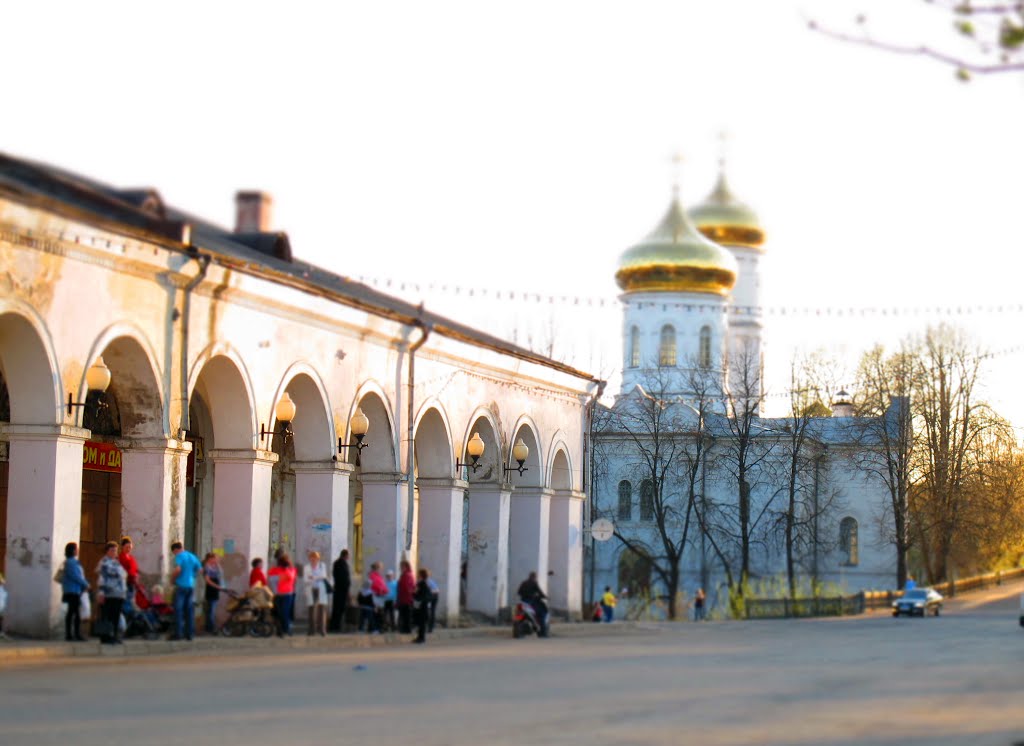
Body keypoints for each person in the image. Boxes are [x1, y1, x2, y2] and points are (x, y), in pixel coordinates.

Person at [96, 541, 127, 644]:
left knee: (116, 616)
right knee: (107, 616)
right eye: (112, 550)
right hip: (108, 593)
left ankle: (114, 635)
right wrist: (101, 593)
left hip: (118, 594)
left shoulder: (116, 563)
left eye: (115, 550)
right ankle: (106, 637)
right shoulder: (104, 562)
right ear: (107, 551)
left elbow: (123, 576)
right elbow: (102, 578)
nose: (114, 552)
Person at [170, 541, 202, 641]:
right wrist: (192, 576)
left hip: (181, 586)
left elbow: (178, 570)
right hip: (190, 586)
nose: (175, 554)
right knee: (189, 611)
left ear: (175, 550)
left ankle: (178, 634)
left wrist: (172, 579)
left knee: (178, 610)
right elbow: (200, 570)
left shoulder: (179, 556)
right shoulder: (192, 556)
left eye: (174, 553)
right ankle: (189, 634)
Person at [61, 542, 89, 641]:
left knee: (72, 612)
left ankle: (72, 634)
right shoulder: (71, 562)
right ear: (73, 550)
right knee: (74, 613)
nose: (78, 550)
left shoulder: (71, 562)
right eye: (76, 548)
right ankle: (74, 634)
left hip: (73, 590)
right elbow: (76, 576)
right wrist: (85, 584)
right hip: (72, 590)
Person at [268, 552, 297, 637]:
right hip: (278, 594)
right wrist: (275, 591)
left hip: (287, 594)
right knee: (279, 613)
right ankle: (280, 630)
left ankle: (286, 629)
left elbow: (291, 577)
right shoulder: (275, 570)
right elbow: (272, 581)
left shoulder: (291, 569)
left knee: (284, 612)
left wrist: (285, 571)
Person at [303, 550, 330, 637]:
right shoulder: (307, 567)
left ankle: (322, 630)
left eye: (315, 558)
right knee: (311, 609)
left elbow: (324, 576)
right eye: (312, 558)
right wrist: (315, 578)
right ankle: (311, 630)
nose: (313, 560)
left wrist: (313, 577)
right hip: (311, 589)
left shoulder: (322, 566)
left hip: (320, 589)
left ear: (318, 559)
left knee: (322, 609)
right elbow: (305, 579)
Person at [517, 571, 549, 637]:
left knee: (518, 614)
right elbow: (540, 592)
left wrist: (524, 595)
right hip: (531, 602)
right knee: (541, 613)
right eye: (535, 577)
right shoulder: (534, 583)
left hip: (523, 602)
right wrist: (545, 597)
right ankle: (543, 632)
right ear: (534, 577)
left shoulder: (524, 583)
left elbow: (519, 592)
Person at [202, 553, 225, 635]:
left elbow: (221, 574)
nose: (216, 560)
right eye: (215, 558)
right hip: (211, 589)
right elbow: (207, 580)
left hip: (215, 589)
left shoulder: (215, 566)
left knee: (211, 608)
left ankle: (209, 626)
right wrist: (217, 586)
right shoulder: (207, 567)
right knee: (211, 609)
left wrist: (217, 564)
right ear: (210, 559)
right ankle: (211, 627)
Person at [329, 549, 351, 633]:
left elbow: (335, 575)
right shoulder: (343, 564)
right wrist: (347, 589)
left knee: (336, 608)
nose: (348, 557)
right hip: (342, 590)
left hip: (337, 588)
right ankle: (336, 626)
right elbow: (345, 578)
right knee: (340, 608)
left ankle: (334, 625)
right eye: (348, 555)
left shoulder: (336, 563)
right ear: (345, 555)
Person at [118, 536, 139, 615]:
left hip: (132, 583)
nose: (129, 549)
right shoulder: (121, 557)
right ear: (122, 547)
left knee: (130, 602)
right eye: (127, 547)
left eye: (130, 547)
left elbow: (135, 569)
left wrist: (136, 575)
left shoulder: (130, 557)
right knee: (126, 603)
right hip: (125, 583)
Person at [412, 567, 431, 644]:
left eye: (419, 574)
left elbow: (416, 593)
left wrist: (413, 593)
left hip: (421, 604)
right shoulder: (426, 583)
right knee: (421, 622)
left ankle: (421, 638)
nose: (417, 575)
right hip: (424, 604)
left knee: (421, 622)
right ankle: (420, 637)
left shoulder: (421, 584)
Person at [397, 560, 416, 633]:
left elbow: (407, 587)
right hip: (403, 598)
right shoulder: (404, 575)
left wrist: (408, 593)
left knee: (406, 615)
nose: (401, 568)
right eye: (401, 566)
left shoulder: (407, 575)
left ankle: (407, 629)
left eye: (402, 566)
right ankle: (404, 628)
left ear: (406, 567)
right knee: (404, 614)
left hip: (407, 598)